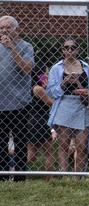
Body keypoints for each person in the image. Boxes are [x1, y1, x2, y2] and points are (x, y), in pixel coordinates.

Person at [47, 38, 89, 173]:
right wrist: (64, 82)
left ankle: (78, 176)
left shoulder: (87, 68)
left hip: (81, 106)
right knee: (63, 144)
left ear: (78, 50)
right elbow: (50, 91)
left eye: (73, 48)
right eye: (66, 48)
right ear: (62, 50)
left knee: (82, 145)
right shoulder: (56, 68)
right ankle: (65, 175)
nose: (69, 50)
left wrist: (84, 89)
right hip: (64, 105)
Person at [0, 15, 35, 178]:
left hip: (20, 103)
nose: (4, 30)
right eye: (1, 28)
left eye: (8, 27)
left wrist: (11, 48)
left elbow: (27, 68)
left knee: (20, 142)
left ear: (16, 29)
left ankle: (20, 178)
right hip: (1, 103)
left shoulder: (26, 46)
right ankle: (2, 176)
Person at [26, 65, 54, 170]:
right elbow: (50, 102)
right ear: (40, 75)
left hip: (36, 119)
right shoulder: (38, 89)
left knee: (32, 154)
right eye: (46, 73)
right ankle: (49, 178)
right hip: (39, 119)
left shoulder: (36, 87)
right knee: (48, 151)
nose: (47, 75)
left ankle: (13, 170)